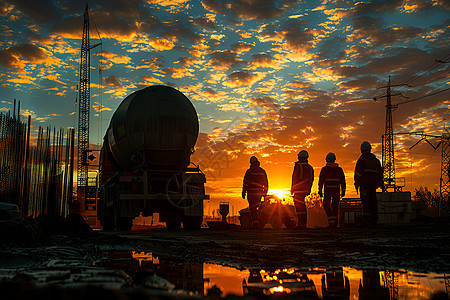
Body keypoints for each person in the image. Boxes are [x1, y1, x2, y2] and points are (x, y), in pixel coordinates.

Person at [354, 141, 383, 227]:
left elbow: (358, 173)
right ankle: (374, 220)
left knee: (366, 202)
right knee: (373, 201)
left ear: (362, 150)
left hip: (364, 186)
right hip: (373, 186)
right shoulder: (376, 161)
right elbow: (380, 174)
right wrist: (380, 184)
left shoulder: (361, 161)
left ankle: (366, 220)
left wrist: (357, 183)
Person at [318, 152, 346, 228]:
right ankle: (335, 223)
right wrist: (343, 191)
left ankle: (331, 222)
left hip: (328, 191)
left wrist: (320, 191)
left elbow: (321, 181)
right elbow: (343, 181)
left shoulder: (324, 170)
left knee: (326, 205)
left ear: (326, 160)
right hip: (336, 191)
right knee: (335, 206)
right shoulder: (339, 170)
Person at [242, 156, 268, 227]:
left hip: (251, 193)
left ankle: (255, 222)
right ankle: (259, 221)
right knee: (257, 207)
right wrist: (265, 192)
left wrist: (244, 192)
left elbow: (246, 183)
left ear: (251, 163)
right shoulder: (262, 171)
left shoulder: (249, 171)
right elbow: (265, 183)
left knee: (252, 207)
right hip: (259, 193)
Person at [291, 150, 314, 229]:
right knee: (302, 206)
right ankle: (303, 224)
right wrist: (309, 189)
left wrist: (292, 189)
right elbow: (311, 180)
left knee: (299, 207)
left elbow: (295, 178)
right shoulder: (310, 167)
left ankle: (301, 224)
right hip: (305, 190)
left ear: (300, 157)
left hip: (298, 190)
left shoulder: (298, 166)